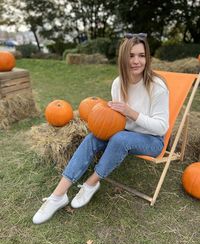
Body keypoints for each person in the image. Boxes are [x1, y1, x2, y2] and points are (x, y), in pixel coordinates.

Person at [32, 33, 169, 224]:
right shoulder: (118, 84)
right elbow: (114, 119)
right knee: (92, 138)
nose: (137, 61)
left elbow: (162, 126)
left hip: (152, 140)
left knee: (120, 139)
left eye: (141, 55)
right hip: (124, 132)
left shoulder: (157, 86)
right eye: (131, 55)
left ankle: (91, 183)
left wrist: (131, 112)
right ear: (123, 57)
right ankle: (58, 196)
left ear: (147, 57)